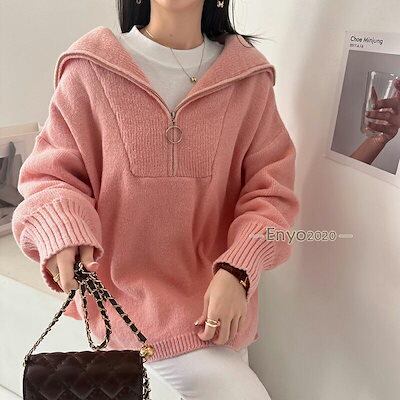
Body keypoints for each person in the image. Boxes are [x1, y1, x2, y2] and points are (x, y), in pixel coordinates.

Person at [11, 1, 300, 398]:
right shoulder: (91, 68)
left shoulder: (248, 79)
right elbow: (51, 176)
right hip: (125, 311)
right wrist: (63, 230)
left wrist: (239, 270)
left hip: (219, 312)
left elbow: (271, 194)